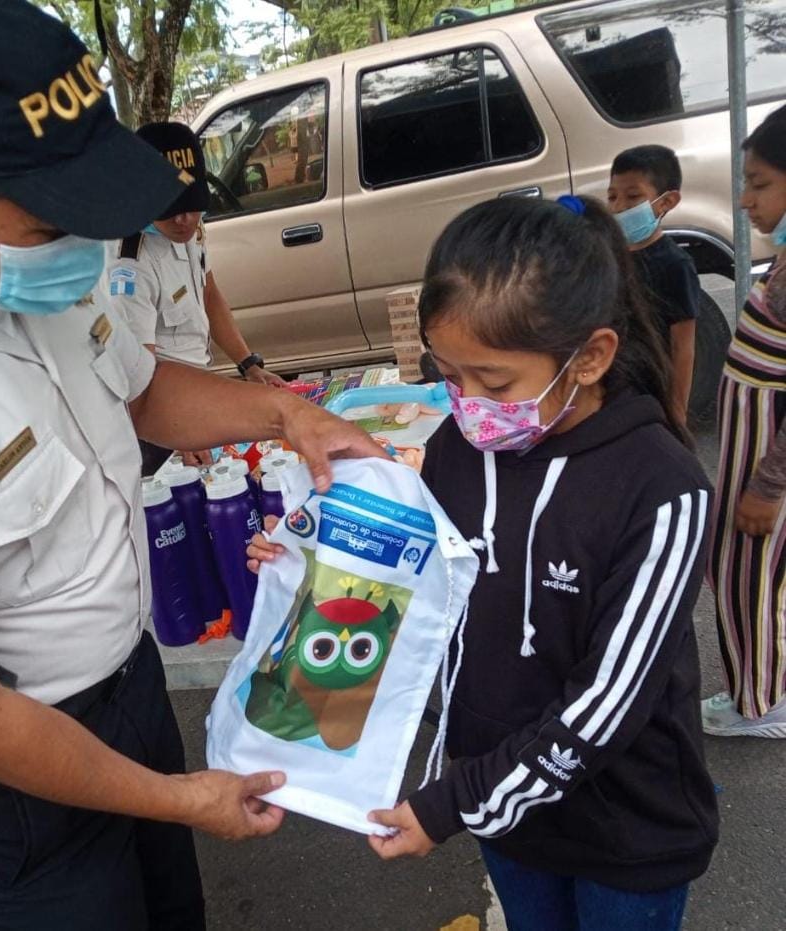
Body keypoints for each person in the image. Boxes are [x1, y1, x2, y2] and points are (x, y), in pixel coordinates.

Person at [0, 2, 382, 928]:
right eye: (55, 225)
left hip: (131, 685)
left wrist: (288, 413)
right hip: (15, 784)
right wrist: (177, 798)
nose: (85, 248)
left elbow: (140, 387)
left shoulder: (11, 258)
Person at [250, 195, 718, 931]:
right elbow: (404, 582)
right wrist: (305, 559)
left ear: (590, 357)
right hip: (505, 814)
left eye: (494, 384)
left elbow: (607, 702)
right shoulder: (458, 449)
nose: (468, 405)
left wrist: (454, 803)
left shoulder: (662, 489)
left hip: (627, 828)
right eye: (450, 377)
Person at [105, 121, 286, 475]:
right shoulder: (130, 265)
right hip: (160, 427)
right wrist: (181, 434)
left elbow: (209, 293)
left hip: (195, 401)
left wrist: (249, 365)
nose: (184, 219)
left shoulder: (191, 228)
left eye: (191, 204)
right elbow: (141, 377)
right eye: (170, 208)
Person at [704, 104, 786, 739]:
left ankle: (763, 704)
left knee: (747, 577)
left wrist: (767, 486)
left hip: (767, 464)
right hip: (754, 452)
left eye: (759, 183)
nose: (744, 199)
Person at [608, 145, 699, 424]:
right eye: (612, 196)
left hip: (651, 393)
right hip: (611, 389)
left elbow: (683, 347)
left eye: (633, 196)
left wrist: (677, 412)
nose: (619, 207)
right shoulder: (607, 256)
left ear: (666, 202)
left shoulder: (675, 265)